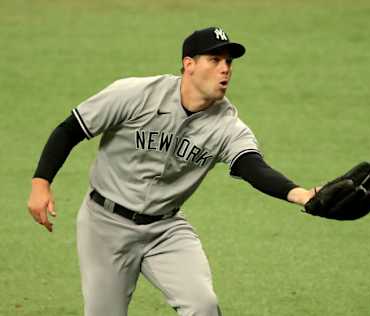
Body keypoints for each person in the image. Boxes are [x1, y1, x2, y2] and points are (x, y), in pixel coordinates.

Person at [27, 26, 317, 316]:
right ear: (189, 64)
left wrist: (300, 194)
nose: (225, 69)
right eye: (214, 60)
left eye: (228, 62)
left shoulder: (228, 126)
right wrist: (41, 183)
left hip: (165, 230)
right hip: (105, 225)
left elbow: (253, 167)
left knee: (203, 306)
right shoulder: (135, 94)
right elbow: (70, 130)